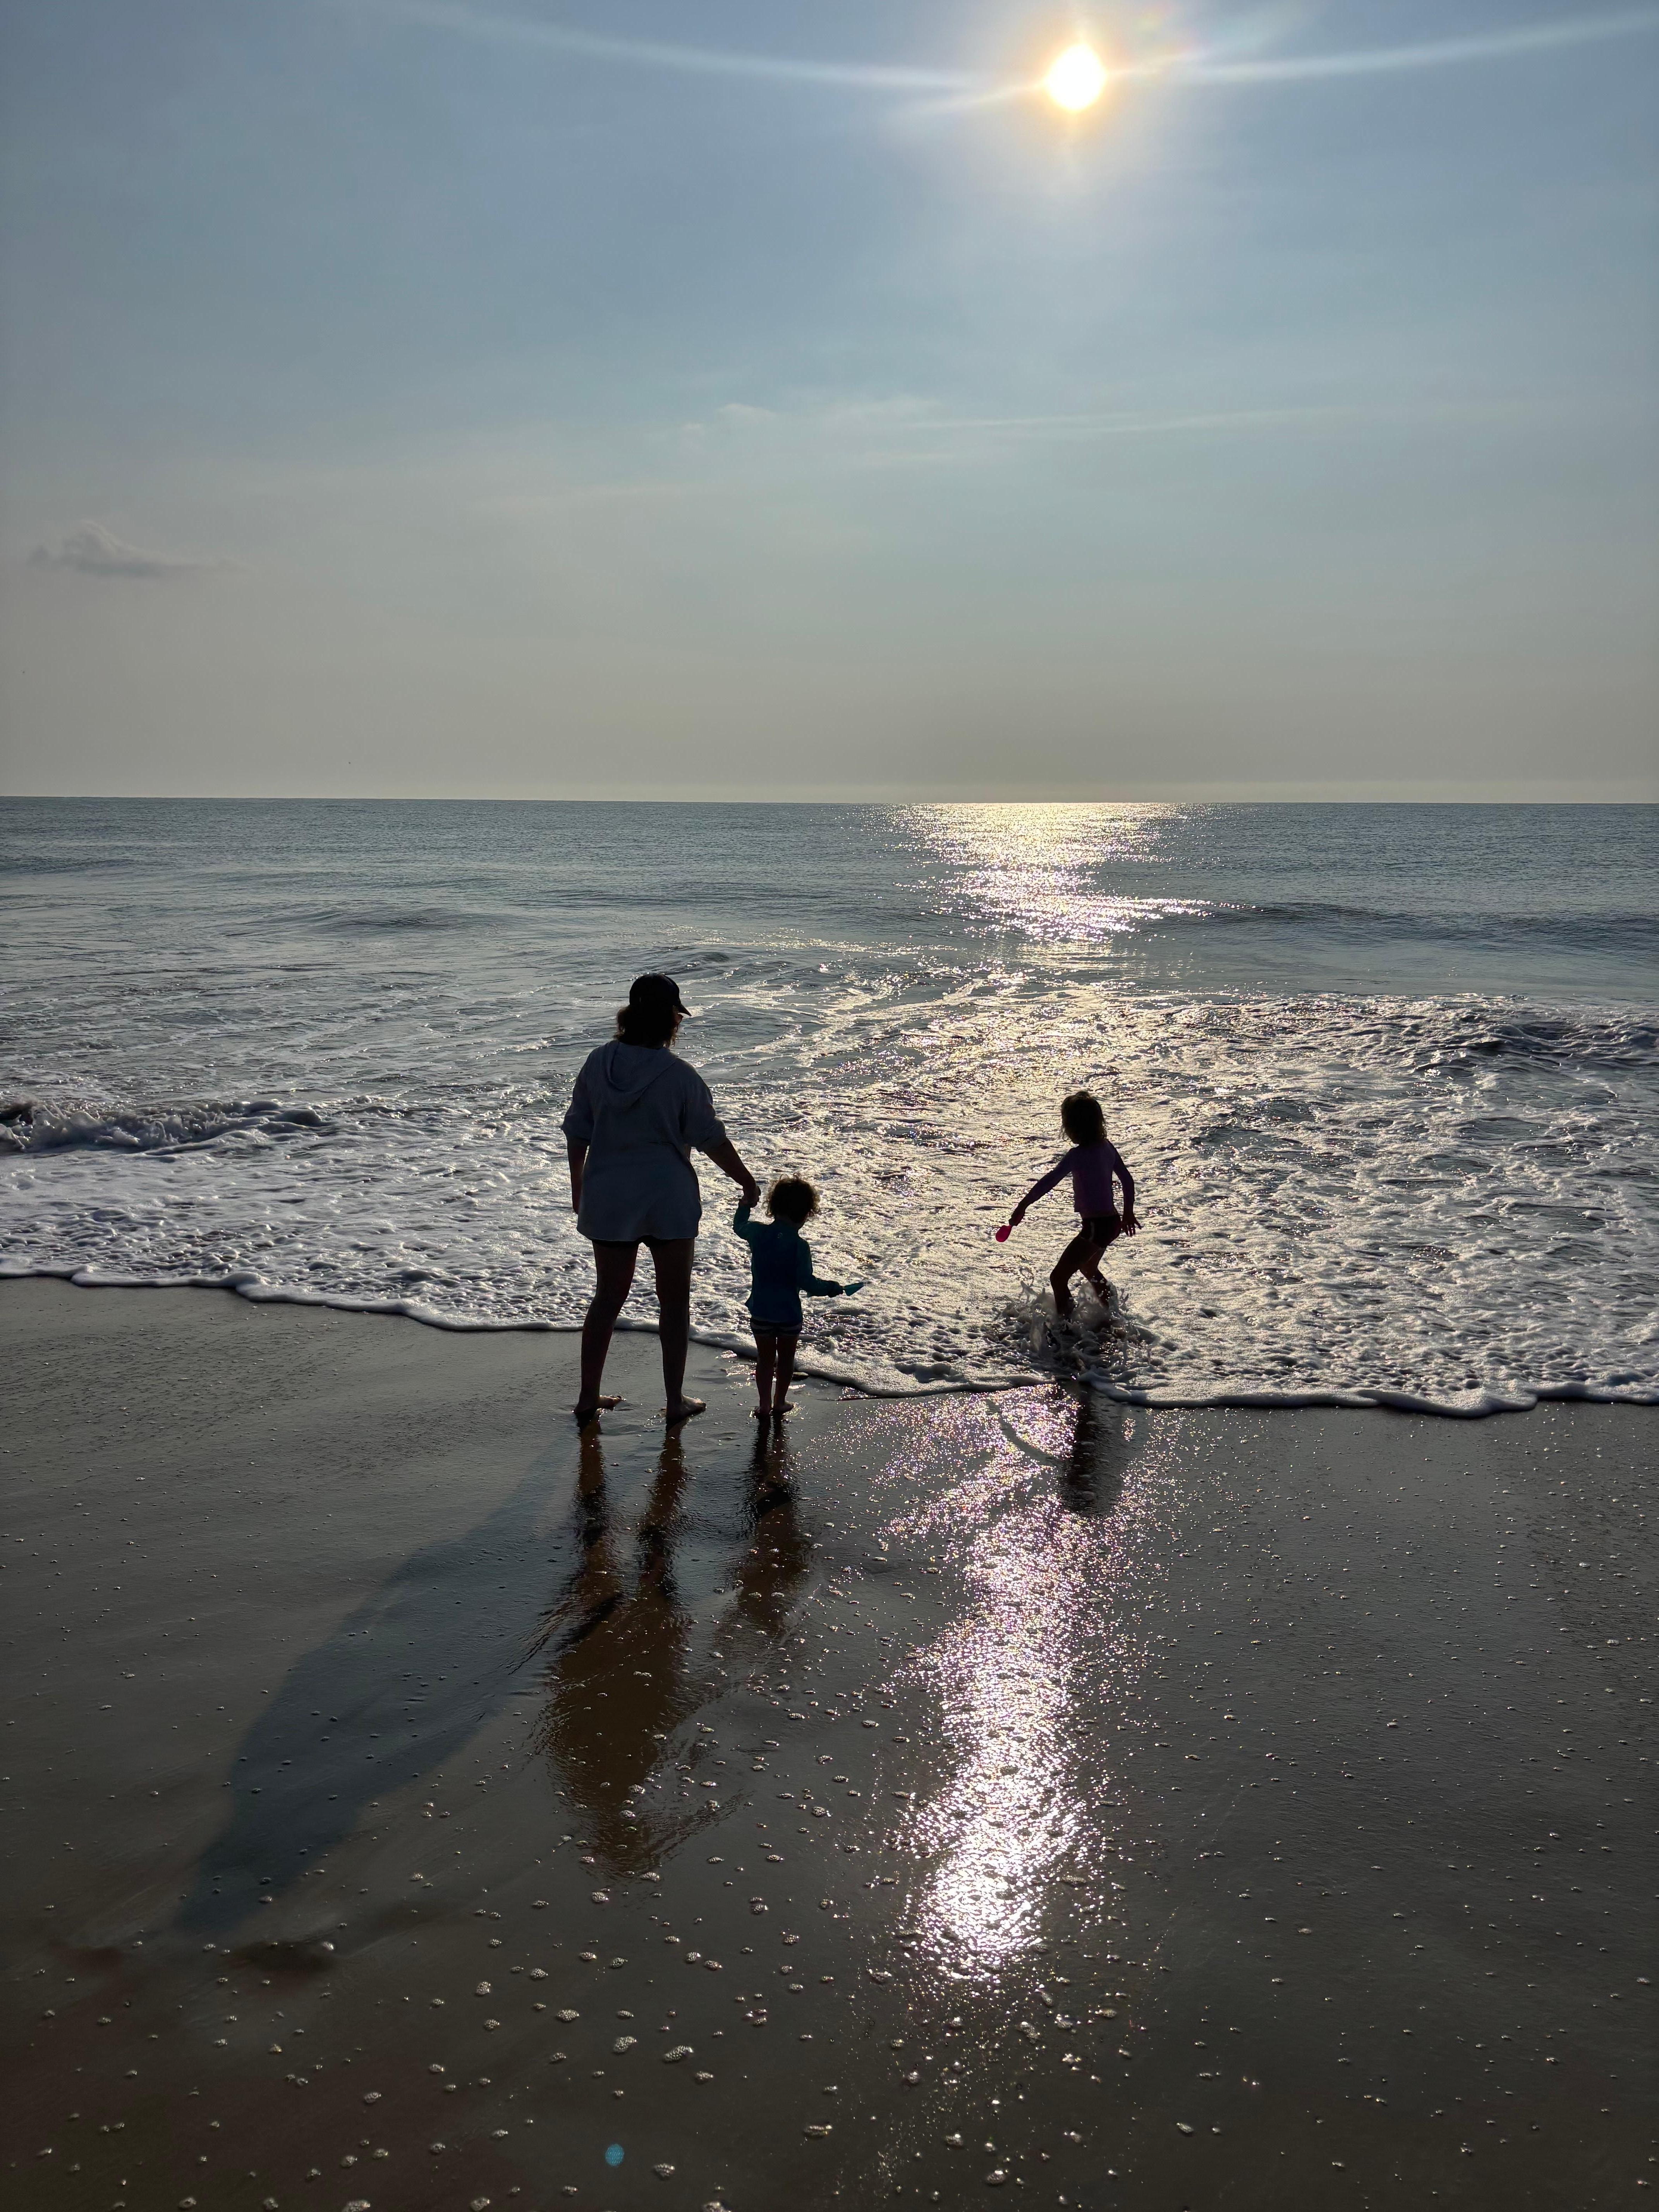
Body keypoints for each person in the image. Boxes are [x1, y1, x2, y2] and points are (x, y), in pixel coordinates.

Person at [562, 973, 759, 1424]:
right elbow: (711, 1140)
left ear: (630, 1015)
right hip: (668, 1199)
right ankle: (674, 1401)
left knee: (607, 1299)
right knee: (674, 1302)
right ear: (672, 1020)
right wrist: (746, 1182)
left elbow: (578, 1131)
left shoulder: (598, 1062)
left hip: (610, 1196)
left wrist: (580, 1189)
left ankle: (587, 1397)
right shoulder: (680, 1077)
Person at [733, 1176, 863, 1422]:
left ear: (773, 1207)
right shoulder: (798, 1246)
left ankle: (763, 1406)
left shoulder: (758, 1233)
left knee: (765, 1359)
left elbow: (739, 1226)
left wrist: (745, 1204)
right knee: (785, 1361)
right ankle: (779, 1402)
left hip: (761, 1310)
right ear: (806, 1214)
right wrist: (832, 1287)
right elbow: (807, 1282)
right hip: (789, 1314)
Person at [1002, 1089, 1137, 1320]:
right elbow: (1127, 1179)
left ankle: (1065, 1327)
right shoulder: (1108, 1147)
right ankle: (1109, 1316)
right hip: (1111, 1223)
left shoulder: (1077, 1155)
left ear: (1074, 1128)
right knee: (1088, 1268)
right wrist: (1127, 1214)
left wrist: (1022, 1206)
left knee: (1058, 1278)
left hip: (1096, 1227)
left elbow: (1049, 1181)